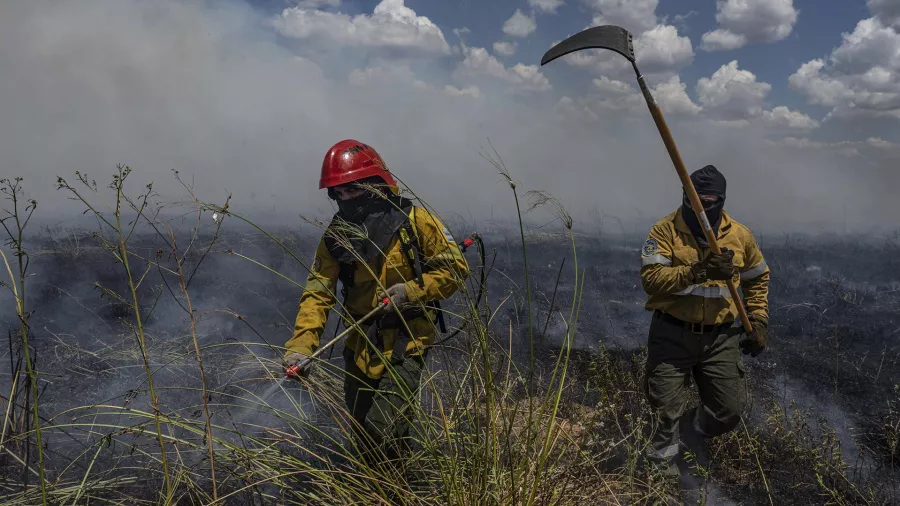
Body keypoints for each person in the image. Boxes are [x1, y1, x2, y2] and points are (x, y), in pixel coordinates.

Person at [283, 139, 470, 462]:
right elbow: (319, 291)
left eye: (352, 191)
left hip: (405, 343)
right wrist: (301, 346)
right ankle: (383, 485)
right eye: (338, 194)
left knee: (381, 431)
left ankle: (393, 487)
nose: (345, 200)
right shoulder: (336, 236)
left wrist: (410, 292)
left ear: (376, 185)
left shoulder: (416, 221)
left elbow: (455, 269)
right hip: (358, 347)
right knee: (363, 433)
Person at [639, 164, 770, 476]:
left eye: (708, 203)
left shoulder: (740, 236)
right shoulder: (665, 230)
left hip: (721, 339)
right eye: (694, 200)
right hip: (672, 333)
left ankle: (689, 433)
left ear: (721, 201)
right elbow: (652, 280)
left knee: (728, 412)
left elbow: (757, 278)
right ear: (685, 196)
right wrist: (699, 271)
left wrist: (759, 319)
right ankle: (658, 479)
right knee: (664, 411)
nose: (700, 208)